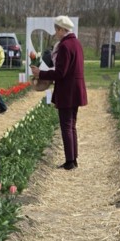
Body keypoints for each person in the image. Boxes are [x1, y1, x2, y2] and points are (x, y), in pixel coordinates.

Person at [36, 15, 87, 169]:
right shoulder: (76, 43)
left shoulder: (65, 46)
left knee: (66, 126)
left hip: (67, 91)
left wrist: (40, 73)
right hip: (76, 89)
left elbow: (60, 73)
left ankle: (69, 162)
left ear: (61, 29)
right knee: (72, 125)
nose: (55, 33)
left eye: (56, 30)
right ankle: (73, 158)